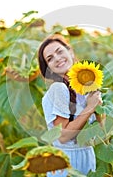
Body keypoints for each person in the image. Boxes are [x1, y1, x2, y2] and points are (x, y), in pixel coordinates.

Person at [38, 34, 103, 176]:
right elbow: (63, 136)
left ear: (70, 52)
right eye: (50, 58)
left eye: (59, 51)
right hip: (67, 162)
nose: (57, 58)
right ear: (48, 68)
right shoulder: (58, 89)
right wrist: (90, 107)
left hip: (87, 157)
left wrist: (99, 107)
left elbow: (100, 132)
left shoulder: (84, 87)